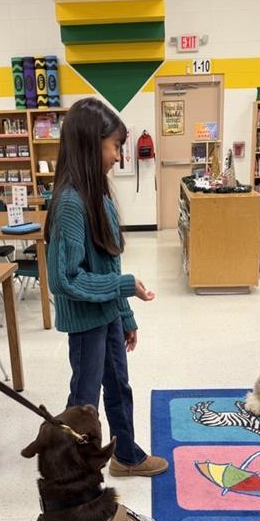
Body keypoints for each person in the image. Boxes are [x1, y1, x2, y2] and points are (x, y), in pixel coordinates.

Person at [45, 97, 168, 477]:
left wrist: (125, 314)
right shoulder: (70, 202)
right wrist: (125, 286)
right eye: (114, 146)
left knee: (119, 387)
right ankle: (73, 475)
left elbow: (109, 262)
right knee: (84, 403)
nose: (118, 156)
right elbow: (65, 278)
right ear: (89, 143)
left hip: (107, 313)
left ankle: (126, 455)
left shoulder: (97, 195)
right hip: (86, 322)